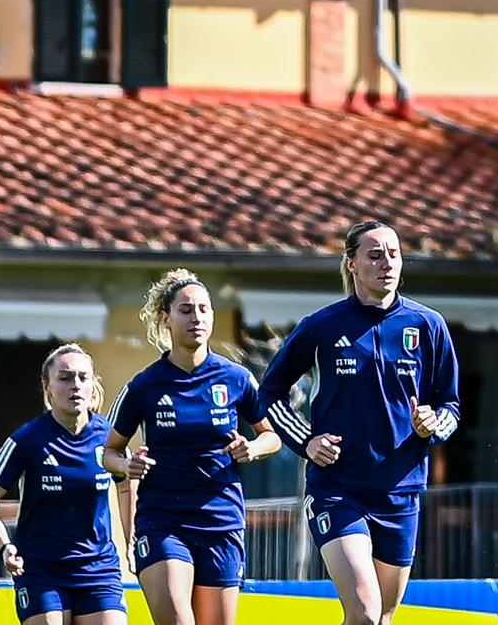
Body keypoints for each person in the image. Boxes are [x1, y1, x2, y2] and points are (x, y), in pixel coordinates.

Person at [255, 219, 459, 625]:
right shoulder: (323, 325)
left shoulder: (428, 325)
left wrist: (431, 425)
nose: (387, 263)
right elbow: (269, 394)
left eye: (394, 254)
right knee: (364, 612)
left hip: (401, 494)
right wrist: (307, 441)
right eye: (375, 254)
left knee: (382, 618)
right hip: (337, 490)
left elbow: (451, 407)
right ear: (352, 264)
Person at [114, 269, 277, 625]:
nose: (196, 318)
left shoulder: (237, 378)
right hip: (163, 520)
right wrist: (127, 467)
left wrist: (252, 448)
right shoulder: (143, 386)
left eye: (204, 309)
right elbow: (108, 451)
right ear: (166, 319)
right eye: (186, 310)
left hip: (221, 519)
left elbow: (272, 436)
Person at [0, 345, 129, 625]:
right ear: (47, 387)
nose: (75, 385)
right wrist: (5, 545)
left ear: (93, 385)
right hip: (41, 571)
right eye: (65, 378)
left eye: (83, 377)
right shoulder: (27, 439)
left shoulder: (110, 438)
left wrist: (132, 539)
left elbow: (127, 484)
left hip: (98, 568)